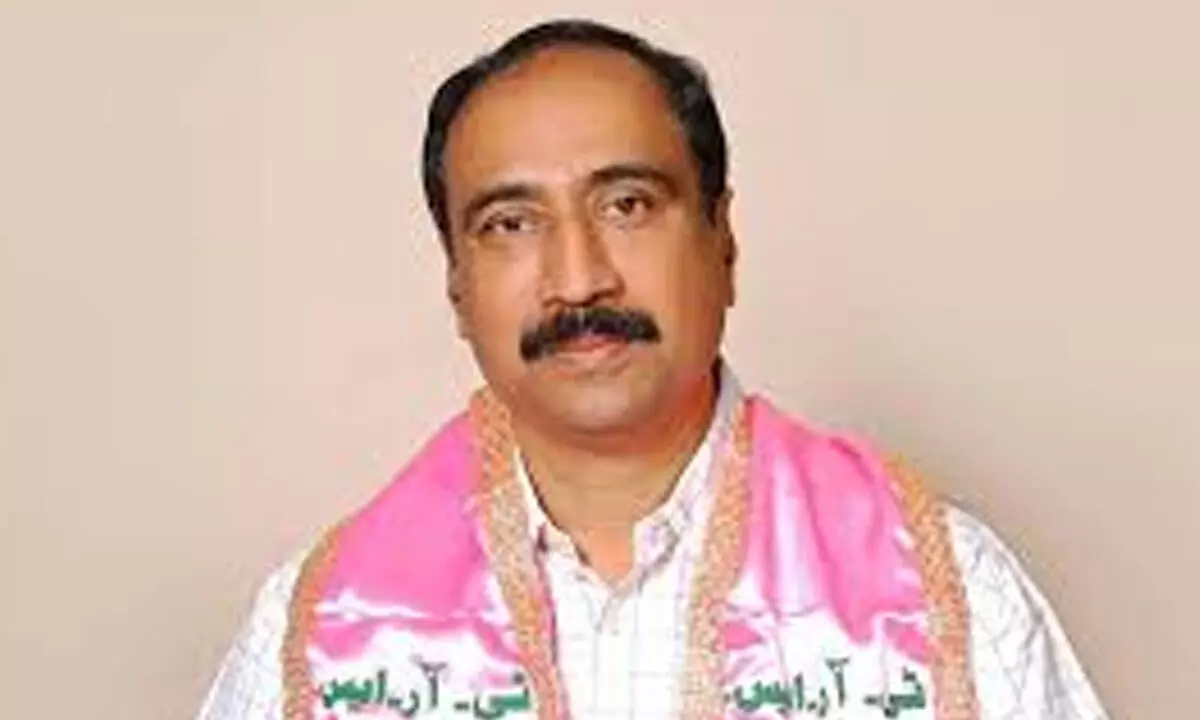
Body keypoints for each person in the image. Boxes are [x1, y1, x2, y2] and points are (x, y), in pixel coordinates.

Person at [198, 18, 1107, 720]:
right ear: (457, 286)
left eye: (628, 204)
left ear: (723, 240)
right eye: (510, 224)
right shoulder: (322, 631)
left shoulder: (948, 595)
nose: (578, 279)